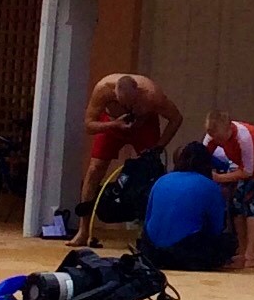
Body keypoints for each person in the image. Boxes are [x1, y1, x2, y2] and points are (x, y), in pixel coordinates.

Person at [68, 74, 183, 247]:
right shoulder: (103, 89)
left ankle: (150, 230)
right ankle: (83, 230)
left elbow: (176, 118)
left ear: (139, 92)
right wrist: (114, 125)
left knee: (151, 171)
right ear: (114, 94)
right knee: (94, 169)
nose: (129, 108)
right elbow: (89, 125)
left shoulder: (152, 95)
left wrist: (158, 147)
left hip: (144, 126)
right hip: (113, 124)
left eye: (133, 104)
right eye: (123, 104)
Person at [138, 142, 236, 271]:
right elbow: (216, 227)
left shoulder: (162, 180)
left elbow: (148, 218)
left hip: (152, 253)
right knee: (229, 241)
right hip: (186, 254)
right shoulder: (209, 186)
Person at [203, 111, 254, 269]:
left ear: (229, 128)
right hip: (243, 163)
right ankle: (242, 247)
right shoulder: (211, 137)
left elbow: (247, 172)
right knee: (237, 203)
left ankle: (251, 253)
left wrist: (218, 178)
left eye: (219, 138)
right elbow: (201, 158)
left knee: (253, 203)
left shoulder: (244, 137)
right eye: (213, 138)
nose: (216, 141)